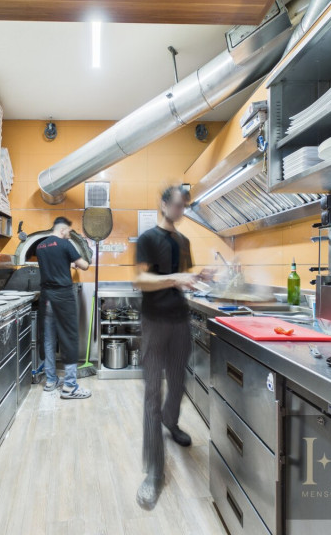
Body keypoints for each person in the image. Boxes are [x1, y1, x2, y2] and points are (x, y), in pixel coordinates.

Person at [133, 185, 202, 510]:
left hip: (180, 320)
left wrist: (198, 277)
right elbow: (140, 280)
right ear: (162, 205)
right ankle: (153, 472)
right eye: (176, 205)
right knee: (152, 394)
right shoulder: (147, 239)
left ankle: (171, 423)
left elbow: (183, 277)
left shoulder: (184, 242)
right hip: (155, 322)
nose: (180, 211)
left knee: (178, 383)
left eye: (183, 207)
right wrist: (175, 278)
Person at [35, 216, 92, 399]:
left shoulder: (40, 246)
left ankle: (50, 381)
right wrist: (80, 262)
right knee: (69, 339)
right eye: (68, 231)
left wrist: (68, 263)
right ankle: (70, 386)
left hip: (46, 298)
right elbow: (85, 265)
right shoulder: (65, 244)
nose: (69, 234)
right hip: (63, 297)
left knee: (49, 339)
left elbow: (54, 264)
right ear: (62, 229)